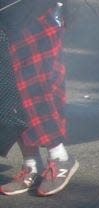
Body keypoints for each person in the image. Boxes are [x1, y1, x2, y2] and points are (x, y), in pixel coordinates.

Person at [0, 0, 78, 197]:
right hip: (7, 14)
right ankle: (31, 164)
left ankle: (59, 157)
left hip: (37, 10)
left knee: (37, 84)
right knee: (11, 90)